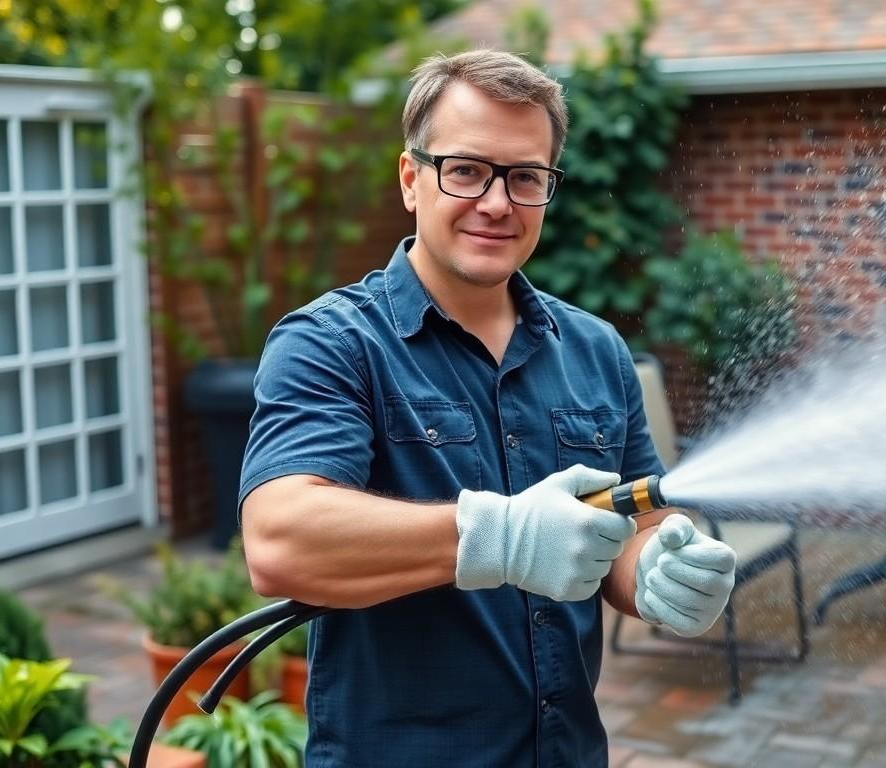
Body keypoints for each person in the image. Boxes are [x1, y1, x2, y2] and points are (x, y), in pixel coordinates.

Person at [237, 49, 738, 767]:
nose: (498, 203)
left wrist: (658, 574)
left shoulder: (596, 349)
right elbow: (281, 541)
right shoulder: (331, 343)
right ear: (410, 179)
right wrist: (499, 537)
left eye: (525, 177)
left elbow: (636, 527)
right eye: (467, 170)